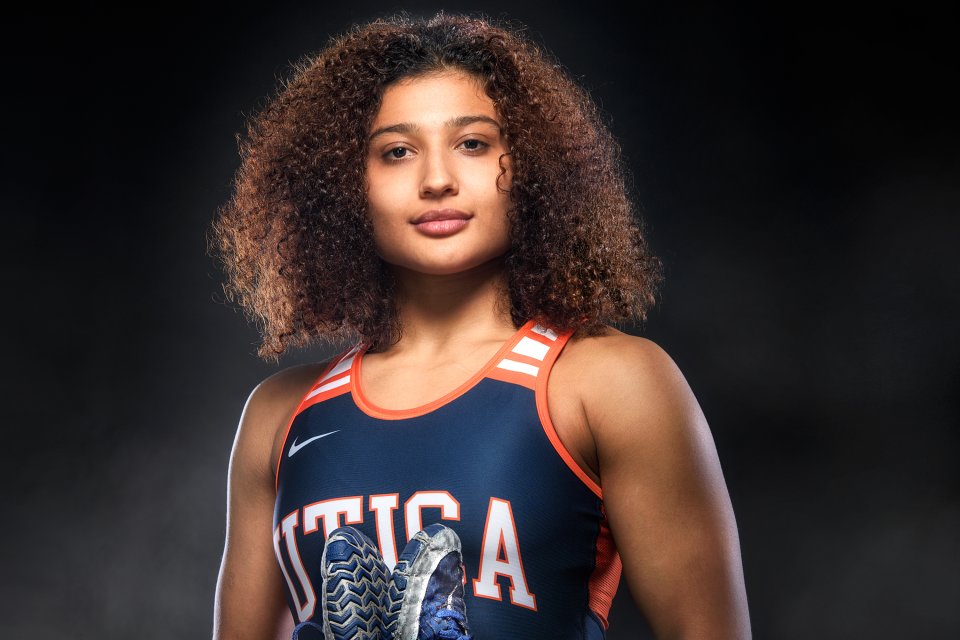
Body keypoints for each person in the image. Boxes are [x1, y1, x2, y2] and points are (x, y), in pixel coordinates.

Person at [210, 12, 751, 640]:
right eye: (397, 152)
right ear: (343, 186)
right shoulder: (281, 414)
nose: (437, 179)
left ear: (530, 166)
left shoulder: (608, 381)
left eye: (472, 144)